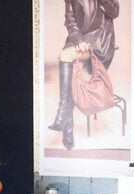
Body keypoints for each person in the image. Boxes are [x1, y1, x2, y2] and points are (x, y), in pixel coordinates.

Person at [48, 0, 120, 150]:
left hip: (100, 41)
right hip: (78, 39)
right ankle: (67, 124)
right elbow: (70, 20)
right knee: (67, 62)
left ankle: (63, 115)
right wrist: (78, 39)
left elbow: (114, 12)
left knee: (65, 56)